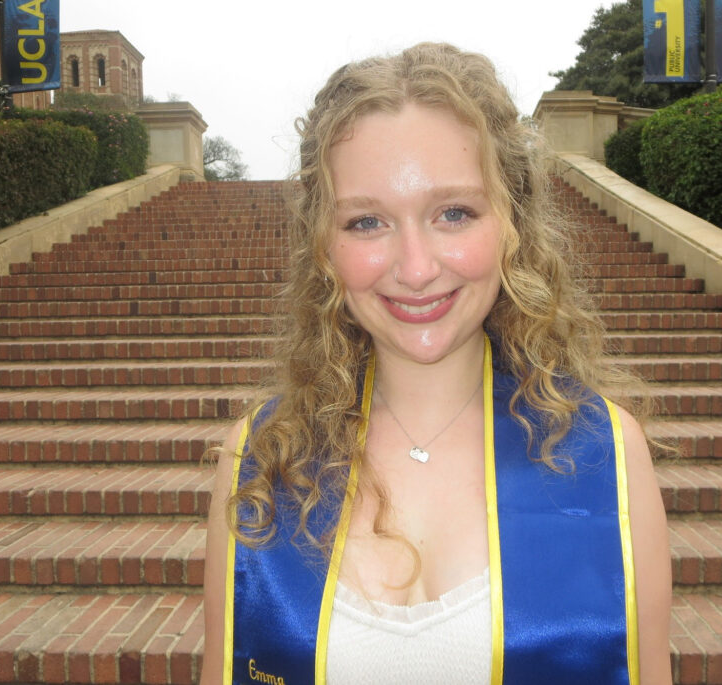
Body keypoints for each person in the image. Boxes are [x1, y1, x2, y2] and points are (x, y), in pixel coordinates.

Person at [200, 43, 671, 685]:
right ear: (323, 247)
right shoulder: (262, 456)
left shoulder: (606, 453)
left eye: (454, 213)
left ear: (512, 223)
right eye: (367, 222)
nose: (417, 268)